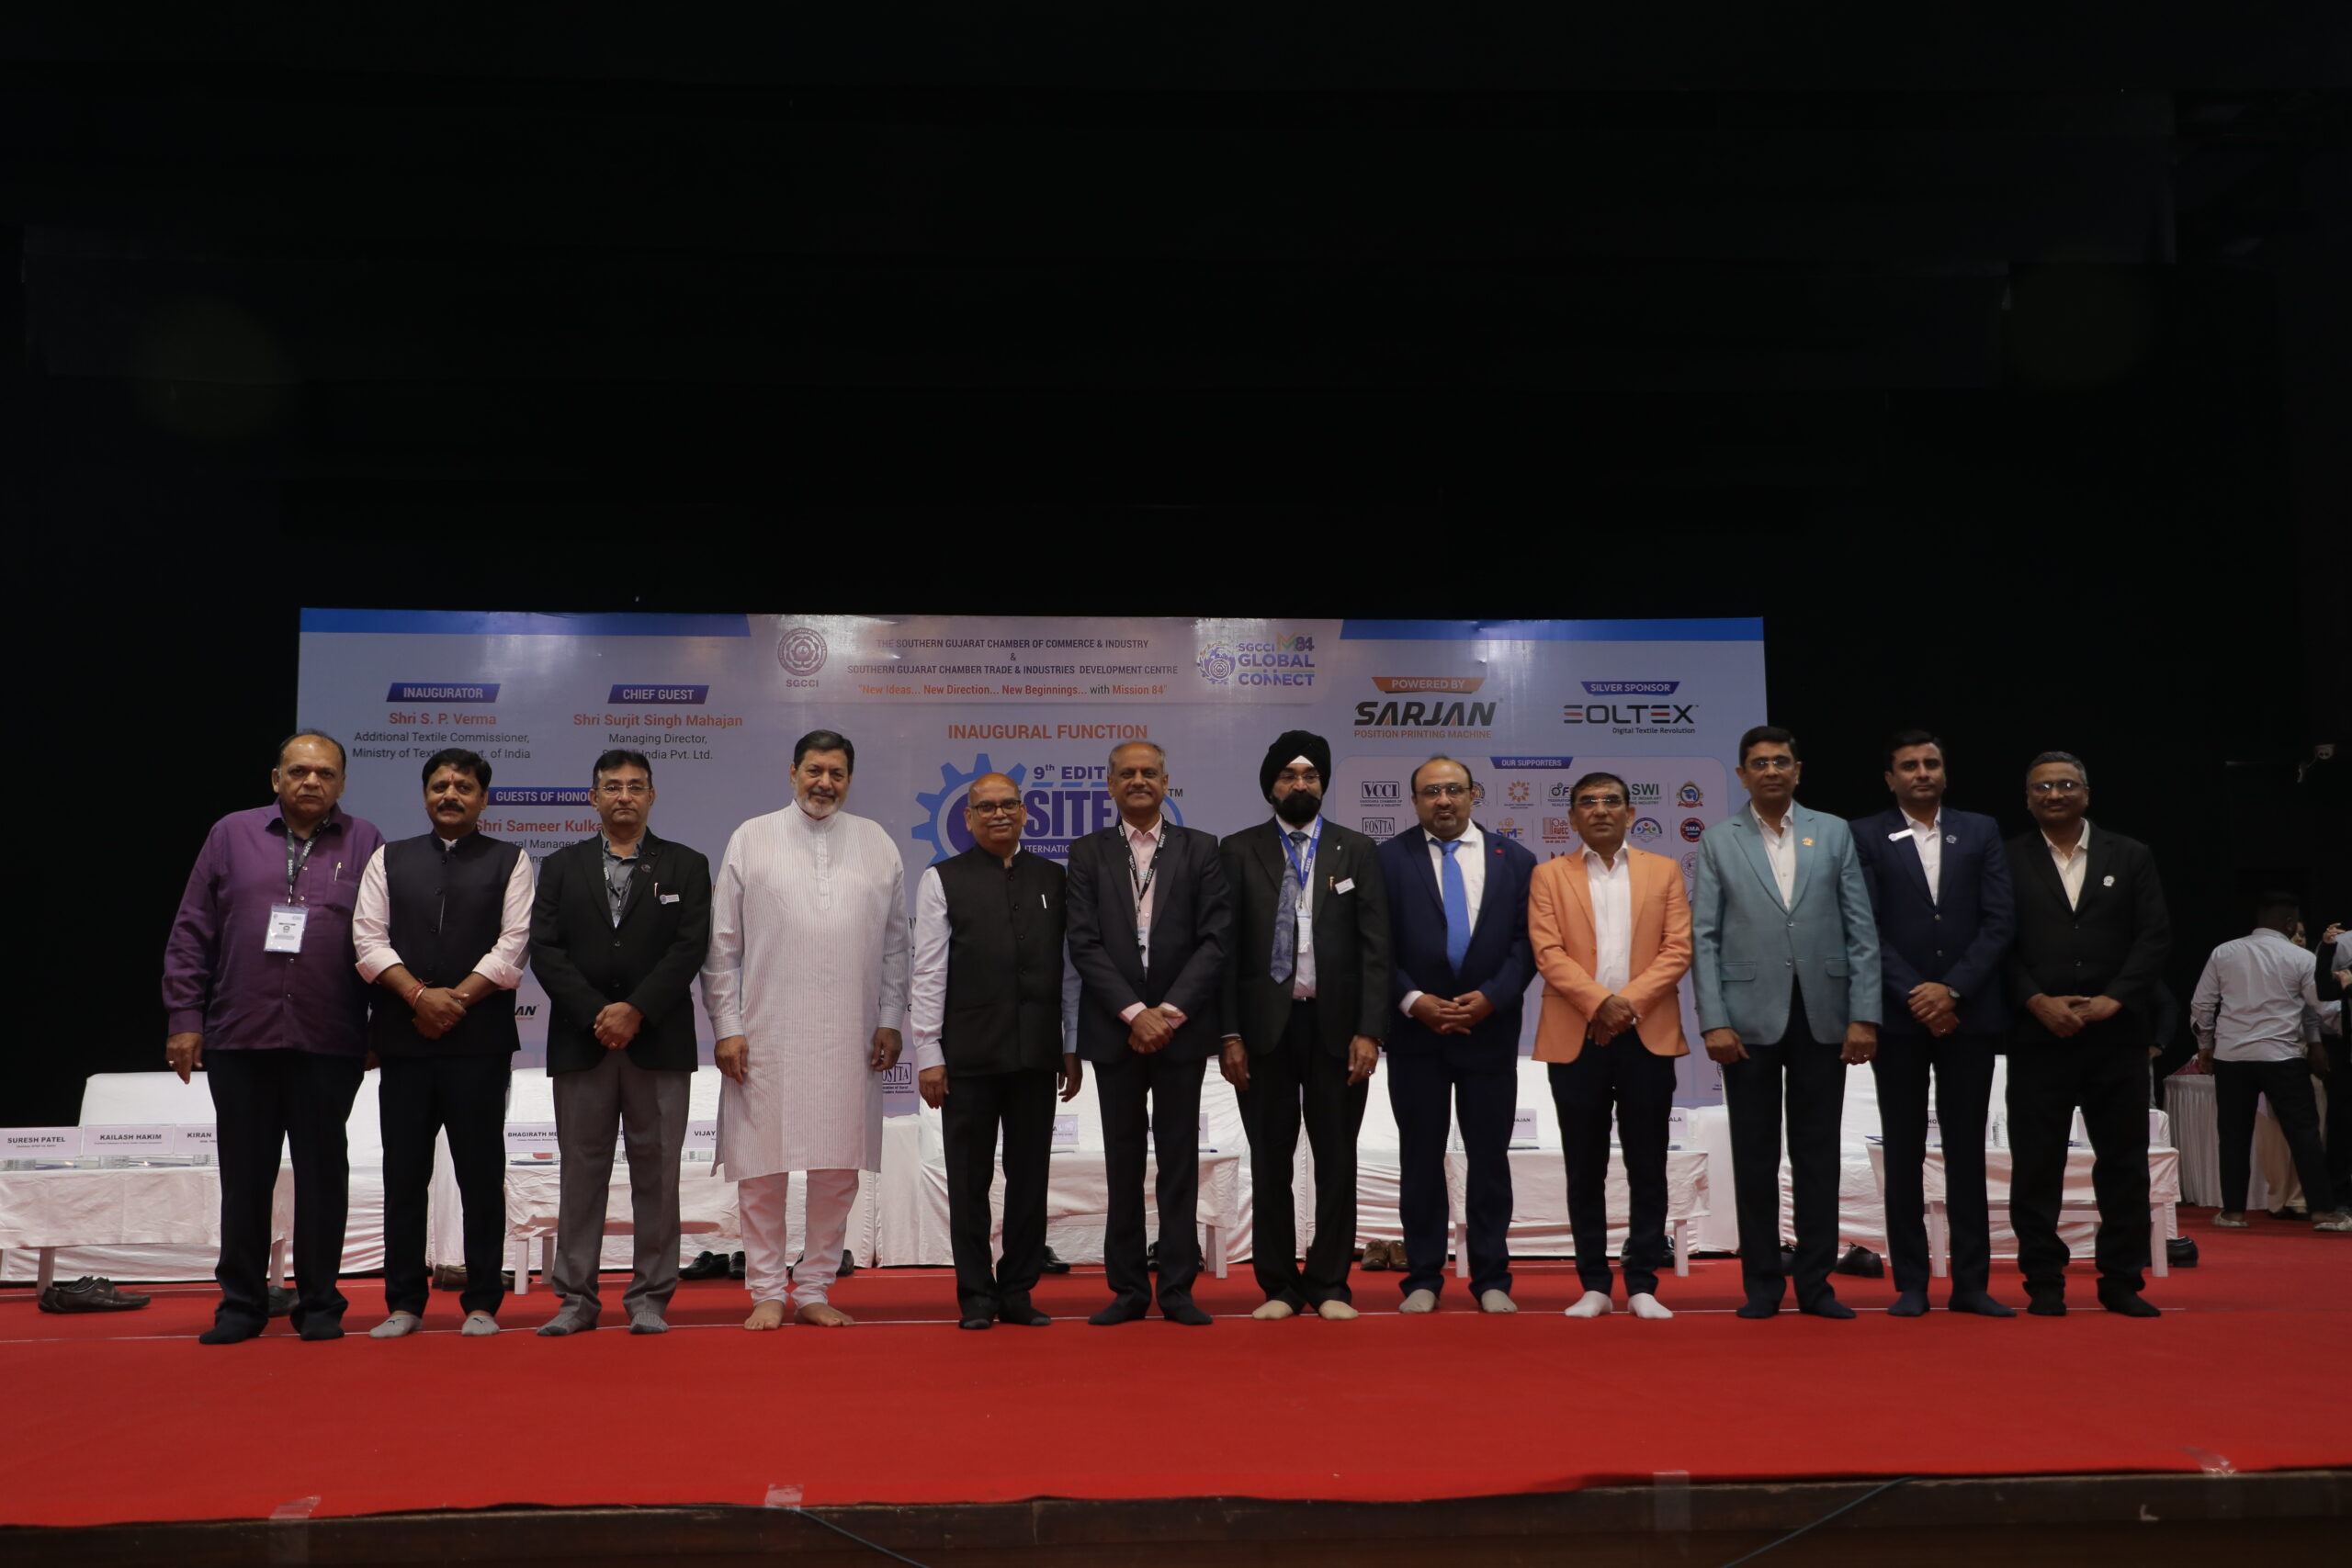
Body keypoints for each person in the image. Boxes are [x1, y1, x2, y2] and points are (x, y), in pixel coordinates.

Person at [162, 731, 384, 1343]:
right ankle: (240, 1303)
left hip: (329, 1037)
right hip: (241, 1034)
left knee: (323, 1176)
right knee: (245, 1176)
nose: (312, 781)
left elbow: (381, 939)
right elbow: (192, 931)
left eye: (325, 773)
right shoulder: (230, 834)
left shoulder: (365, 840)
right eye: (299, 770)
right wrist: (184, 1019)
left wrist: (378, 1027)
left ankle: (320, 1306)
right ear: (276, 778)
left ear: (342, 783)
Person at [702, 729, 908, 1330]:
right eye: (814, 770)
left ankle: (815, 1286)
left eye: (837, 773)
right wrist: (728, 1025)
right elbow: (722, 946)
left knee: (837, 1170)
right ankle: (767, 1289)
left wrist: (890, 1019)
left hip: (850, 1033)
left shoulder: (876, 843)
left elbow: (897, 945)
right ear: (792, 772)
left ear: (850, 779)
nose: (824, 783)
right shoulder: (751, 837)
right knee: (762, 1169)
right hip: (765, 1033)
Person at [1691, 725, 1881, 1320]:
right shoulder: (1718, 840)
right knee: (1754, 1155)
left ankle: (1817, 1285)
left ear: (1798, 770)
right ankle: (1762, 1286)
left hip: (1824, 1015)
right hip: (1746, 1020)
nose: (1771, 770)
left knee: (1817, 1154)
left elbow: (1861, 928)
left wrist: (1864, 1014)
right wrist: (1714, 1020)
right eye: (1759, 763)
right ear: (1742, 775)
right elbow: (1704, 937)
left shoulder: (1834, 831)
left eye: (1781, 761)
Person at [526, 749, 714, 1337]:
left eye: (635, 786)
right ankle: (575, 1301)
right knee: (581, 1174)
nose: (624, 796)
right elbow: (545, 950)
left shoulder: (686, 865)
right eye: (612, 786)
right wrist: (597, 1014)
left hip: (657, 1041)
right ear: (594, 797)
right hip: (581, 1042)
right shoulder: (560, 866)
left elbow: (689, 948)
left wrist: (635, 1010)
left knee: (657, 1174)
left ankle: (650, 1297)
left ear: (652, 796)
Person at [355, 747, 536, 1338]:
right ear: (424, 795)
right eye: (439, 785)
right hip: (405, 1044)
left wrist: (451, 1002)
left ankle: (482, 1301)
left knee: (480, 1175)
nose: (450, 794)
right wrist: (418, 998)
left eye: (463, 786)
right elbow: (368, 942)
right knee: (404, 1176)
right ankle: (404, 1302)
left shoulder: (511, 860)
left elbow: (513, 947)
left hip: (478, 1045)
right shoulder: (389, 858)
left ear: (483, 799)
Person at [1217, 731, 1391, 1322]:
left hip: (1338, 1031)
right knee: (1270, 1160)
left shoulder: (1356, 849)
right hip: (1263, 1032)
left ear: (1323, 784)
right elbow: (1223, 950)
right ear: (1270, 786)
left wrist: (1370, 1030)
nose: (1300, 784)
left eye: (1311, 775)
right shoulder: (1238, 850)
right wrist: (1229, 1033)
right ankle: (1278, 1287)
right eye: (1289, 775)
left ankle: (1330, 1284)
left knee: (1337, 1159)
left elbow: (1377, 948)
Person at [1850, 731, 2018, 1316]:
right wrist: (1917, 994)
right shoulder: (1864, 834)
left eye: (1931, 763)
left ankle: (1971, 1284)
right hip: (1899, 1018)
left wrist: (1952, 990)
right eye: (1909, 766)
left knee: (1968, 1151)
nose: (1921, 773)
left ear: (1944, 772)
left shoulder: (1980, 830)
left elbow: (2000, 920)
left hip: (1968, 1014)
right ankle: (1912, 1283)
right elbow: (1863, 925)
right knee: (1903, 1151)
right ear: (1890, 778)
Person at [1066, 740, 1232, 1326]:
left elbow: (1215, 940)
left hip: (1181, 1032)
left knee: (1180, 1160)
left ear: (1166, 782)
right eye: (1127, 773)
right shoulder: (1087, 852)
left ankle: (1179, 1288)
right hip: (1116, 1032)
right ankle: (1129, 1289)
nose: (1138, 781)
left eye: (1149, 773)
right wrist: (1135, 1013)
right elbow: (1083, 942)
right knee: (1123, 1161)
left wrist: (1168, 1012)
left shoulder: (1201, 848)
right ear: (1111, 785)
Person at [911, 773, 1085, 1329]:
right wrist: (928, 1054)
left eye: (1008, 804)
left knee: (1030, 1179)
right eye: (985, 807)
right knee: (968, 1181)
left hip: (1036, 1054)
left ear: (1025, 812)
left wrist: (1070, 1044)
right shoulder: (942, 879)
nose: (998, 814)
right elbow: (929, 972)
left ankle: (1017, 1291)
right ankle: (976, 1296)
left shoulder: (1053, 877)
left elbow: (1069, 970)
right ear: (968, 818)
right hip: (967, 1057)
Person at [2002, 750, 2171, 1316]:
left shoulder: (2131, 854)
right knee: (2036, 1165)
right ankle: (2043, 1281)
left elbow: (2154, 936)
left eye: (2066, 784)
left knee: (2123, 1163)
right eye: (2043, 787)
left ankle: (2121, 1280)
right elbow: (1997, 941)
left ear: (2087, 793)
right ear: (2028, 799)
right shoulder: (2007, 858)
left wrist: (2114, 999)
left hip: (2116, 1035)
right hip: (2038, 1034)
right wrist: (2035, 1000)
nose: (2055, 794)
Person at [1528, 770, 1692, 1321]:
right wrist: (1600, 1004)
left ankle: (1643, 1281)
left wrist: (1626, 1007)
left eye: (1611, 801)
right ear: (1572, 816)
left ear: (1630, 812)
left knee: (1648, 1163)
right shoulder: (1549, 875)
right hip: (1578, 1037)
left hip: (1646, 1035)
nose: (1600, 809)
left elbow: (1677, 949)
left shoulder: (1663, 870)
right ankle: (1594, 1284)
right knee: (1584, 1166)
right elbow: (1548, 952)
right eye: (1588, 802)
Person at [1376, 756, 1538, 1315]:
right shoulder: (1386, 860)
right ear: (1415, 800)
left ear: (1473, 794)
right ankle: (1422, 1277)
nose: (1442, 800)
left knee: (1489, 1159)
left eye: (1453, 790)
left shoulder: (1516, 859)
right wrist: (1412, 1000)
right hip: (1415, 1033)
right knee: (1420, 1159)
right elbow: (1375, 945)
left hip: (1488, 1031)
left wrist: (1492, 998)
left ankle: (1491, 1277)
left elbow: (1526, 945)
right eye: (1430, 792)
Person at [2191, 893, 2350, 1231]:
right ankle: (2322, 1211)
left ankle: (2233, 1213)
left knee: (2233, 1136)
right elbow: (2323, 1007)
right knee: (2304, 1134)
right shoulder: (2301, 957)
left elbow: (2202, 1005)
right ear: (2290, 923)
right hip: (2282, 1056)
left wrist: (2205, 1045)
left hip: (2232, 1056)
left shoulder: (2224, 952)